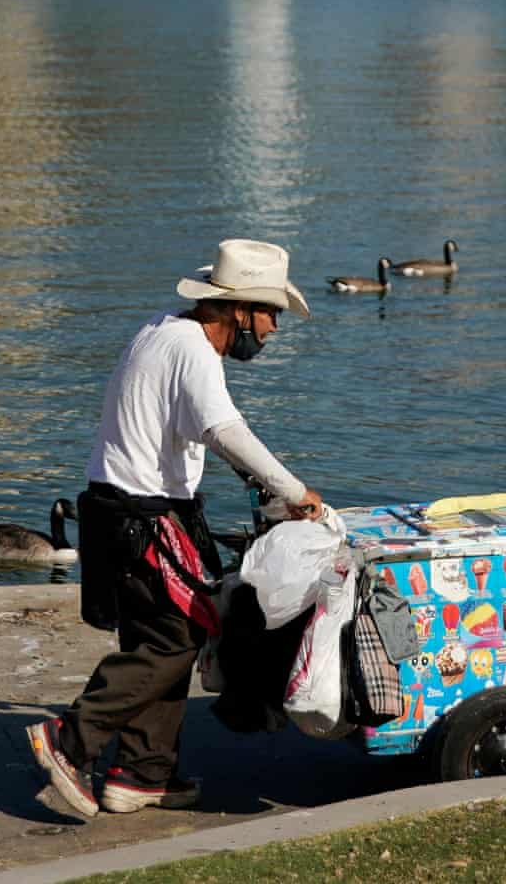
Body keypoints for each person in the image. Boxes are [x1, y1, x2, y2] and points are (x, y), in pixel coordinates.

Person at [25, 238, 324, 820]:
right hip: (142, 517)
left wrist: (260, 487)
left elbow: (193, 429)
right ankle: (70, 740)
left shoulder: (163, 330)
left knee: (153, 640)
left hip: (118, 510)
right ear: (238, 310)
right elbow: (223, 430)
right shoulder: (193, 350)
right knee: (177, 639)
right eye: (270, 313)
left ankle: (144, 773)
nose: (273, 329)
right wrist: (294, 491)